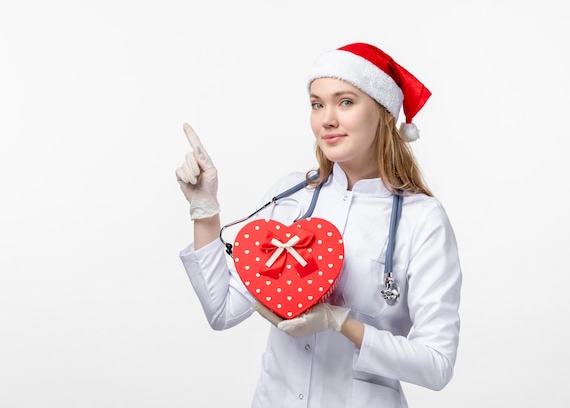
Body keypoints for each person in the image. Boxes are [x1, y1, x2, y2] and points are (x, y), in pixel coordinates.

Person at [175, 42, 462, 407]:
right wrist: (205, 209)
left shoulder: (422, 219)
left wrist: (339, 322)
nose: (327, 118)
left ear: (385, 113)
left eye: (345, 102)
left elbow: (437, 365)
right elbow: (222, 310)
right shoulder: (290, 197)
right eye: (317, 103)